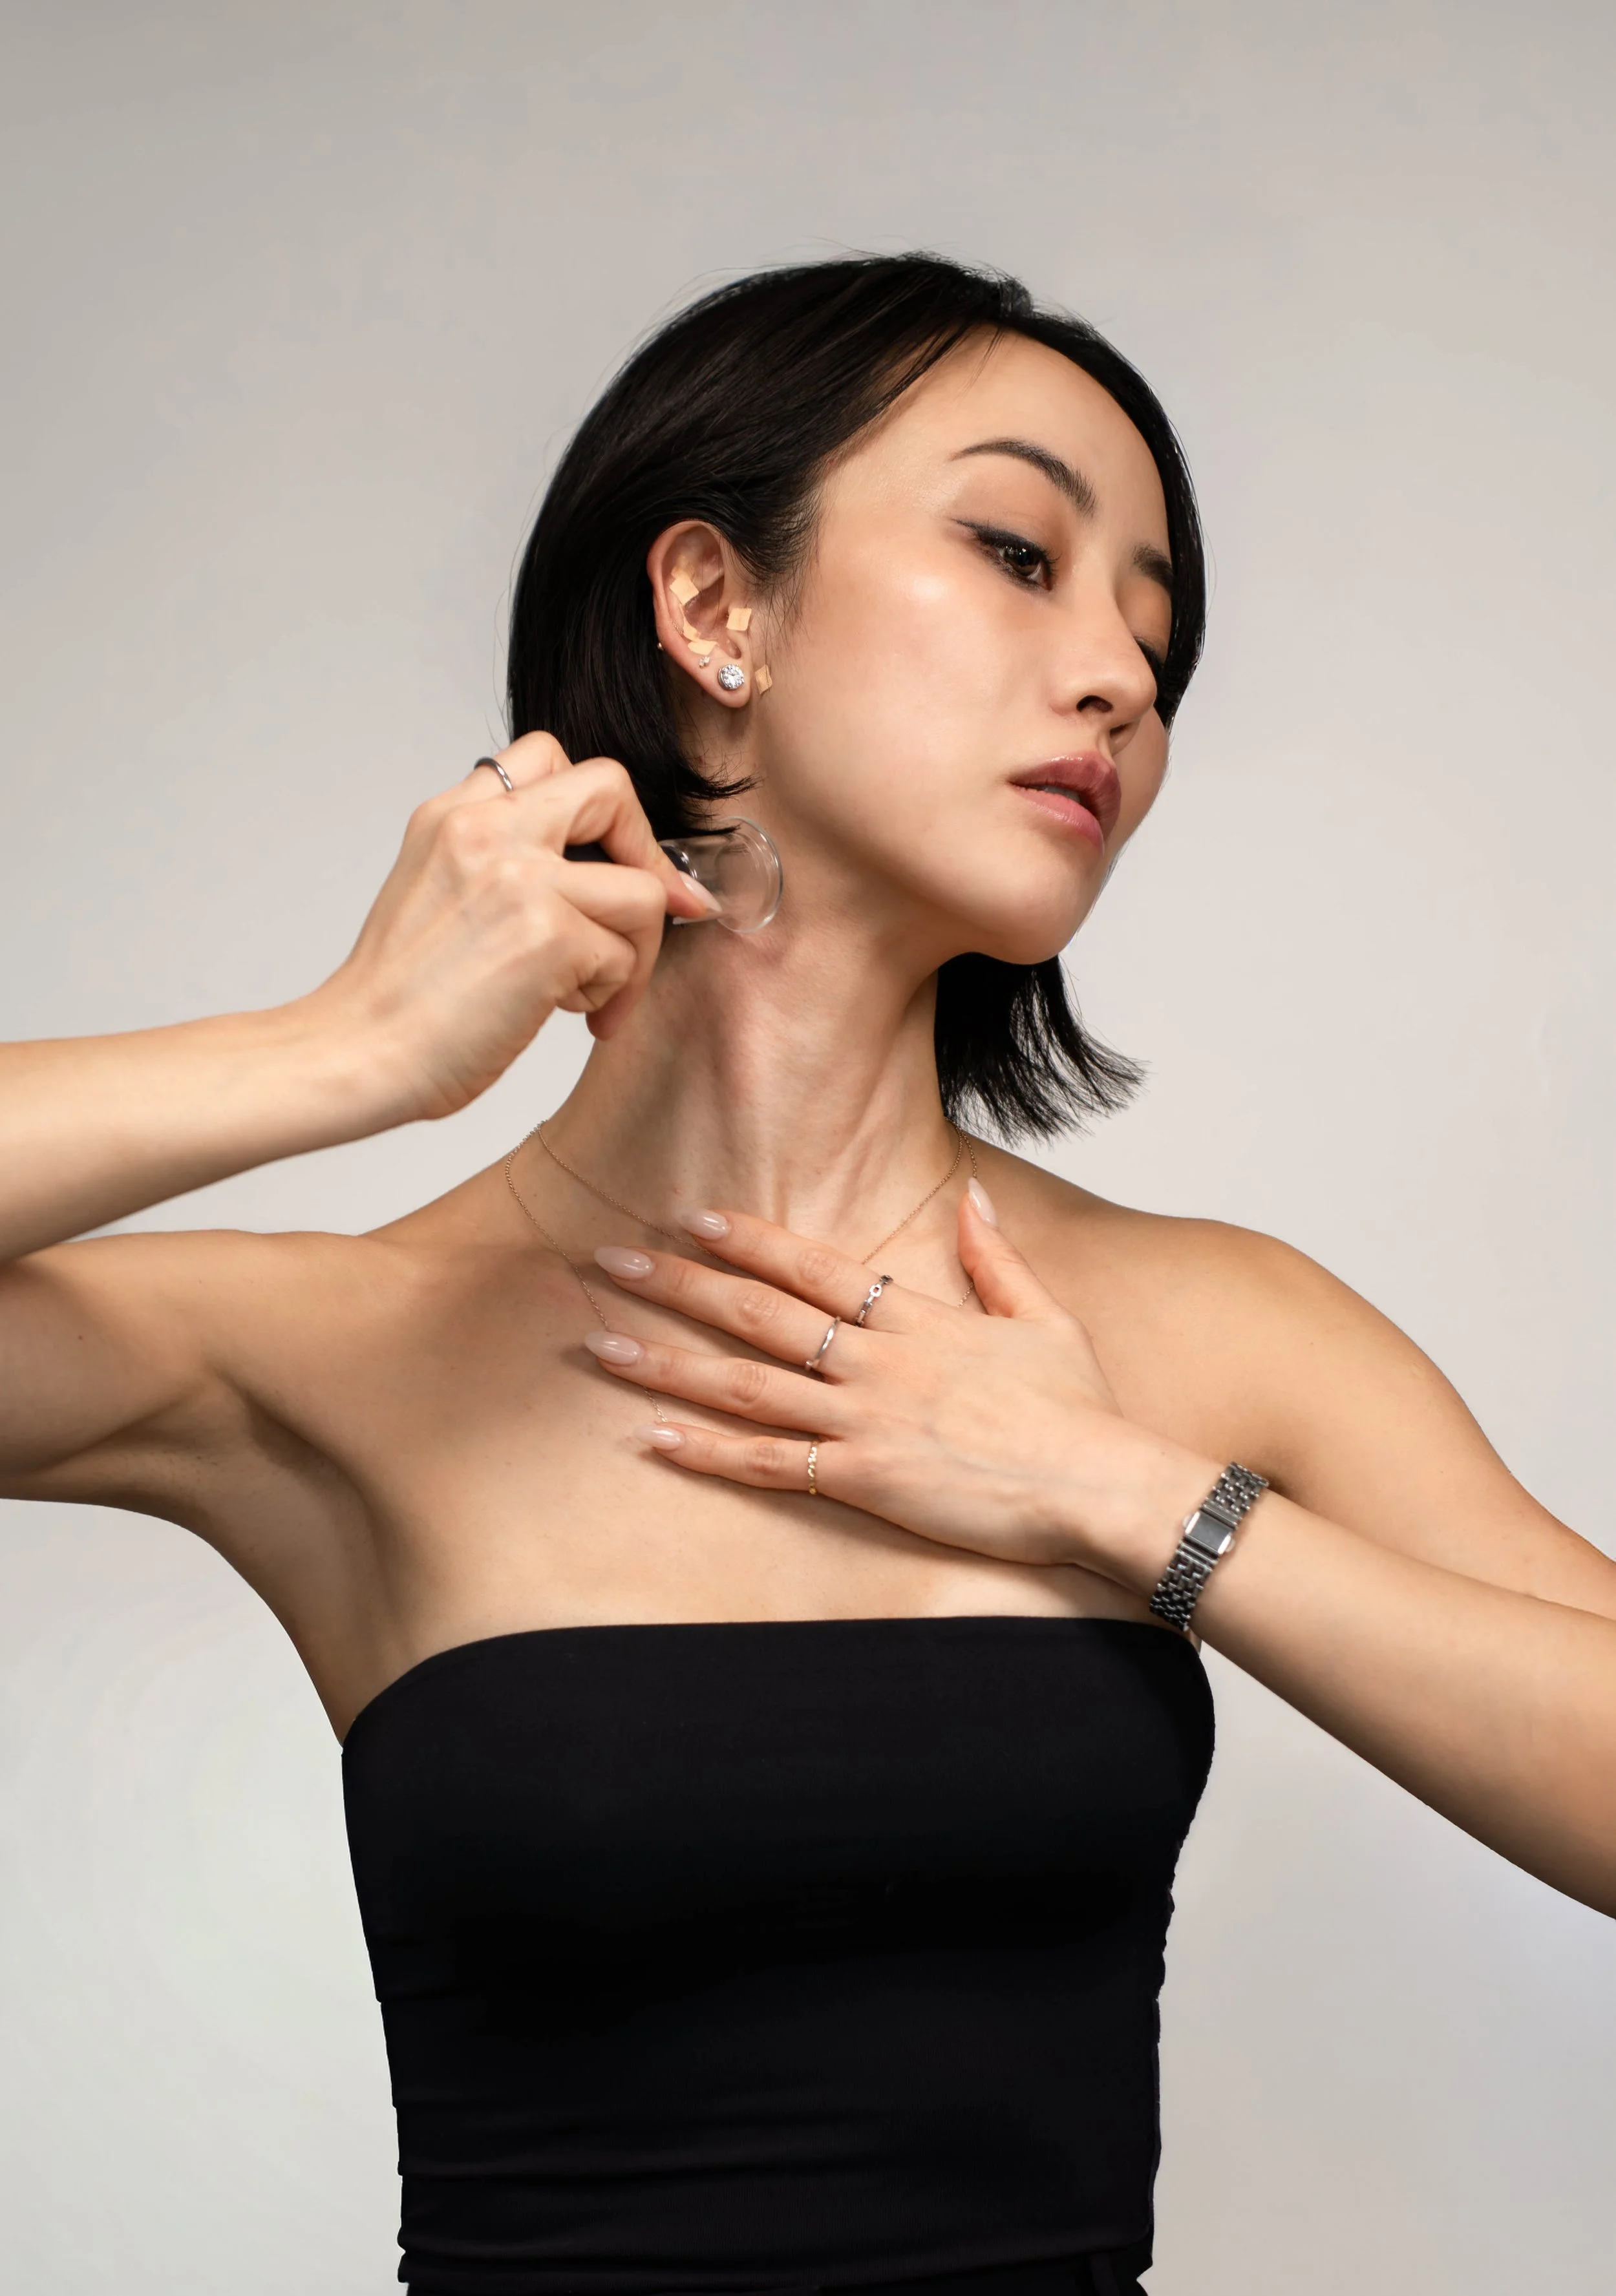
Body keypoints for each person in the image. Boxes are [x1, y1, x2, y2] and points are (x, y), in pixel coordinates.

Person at [2, 254, 1612, 2296]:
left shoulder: (1209, 1332)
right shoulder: (339, 1350)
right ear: (713, 612)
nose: (1119, 679)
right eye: (1017, 552)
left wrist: (1125, 1499)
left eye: (1155, 638)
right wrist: (348, 1048)